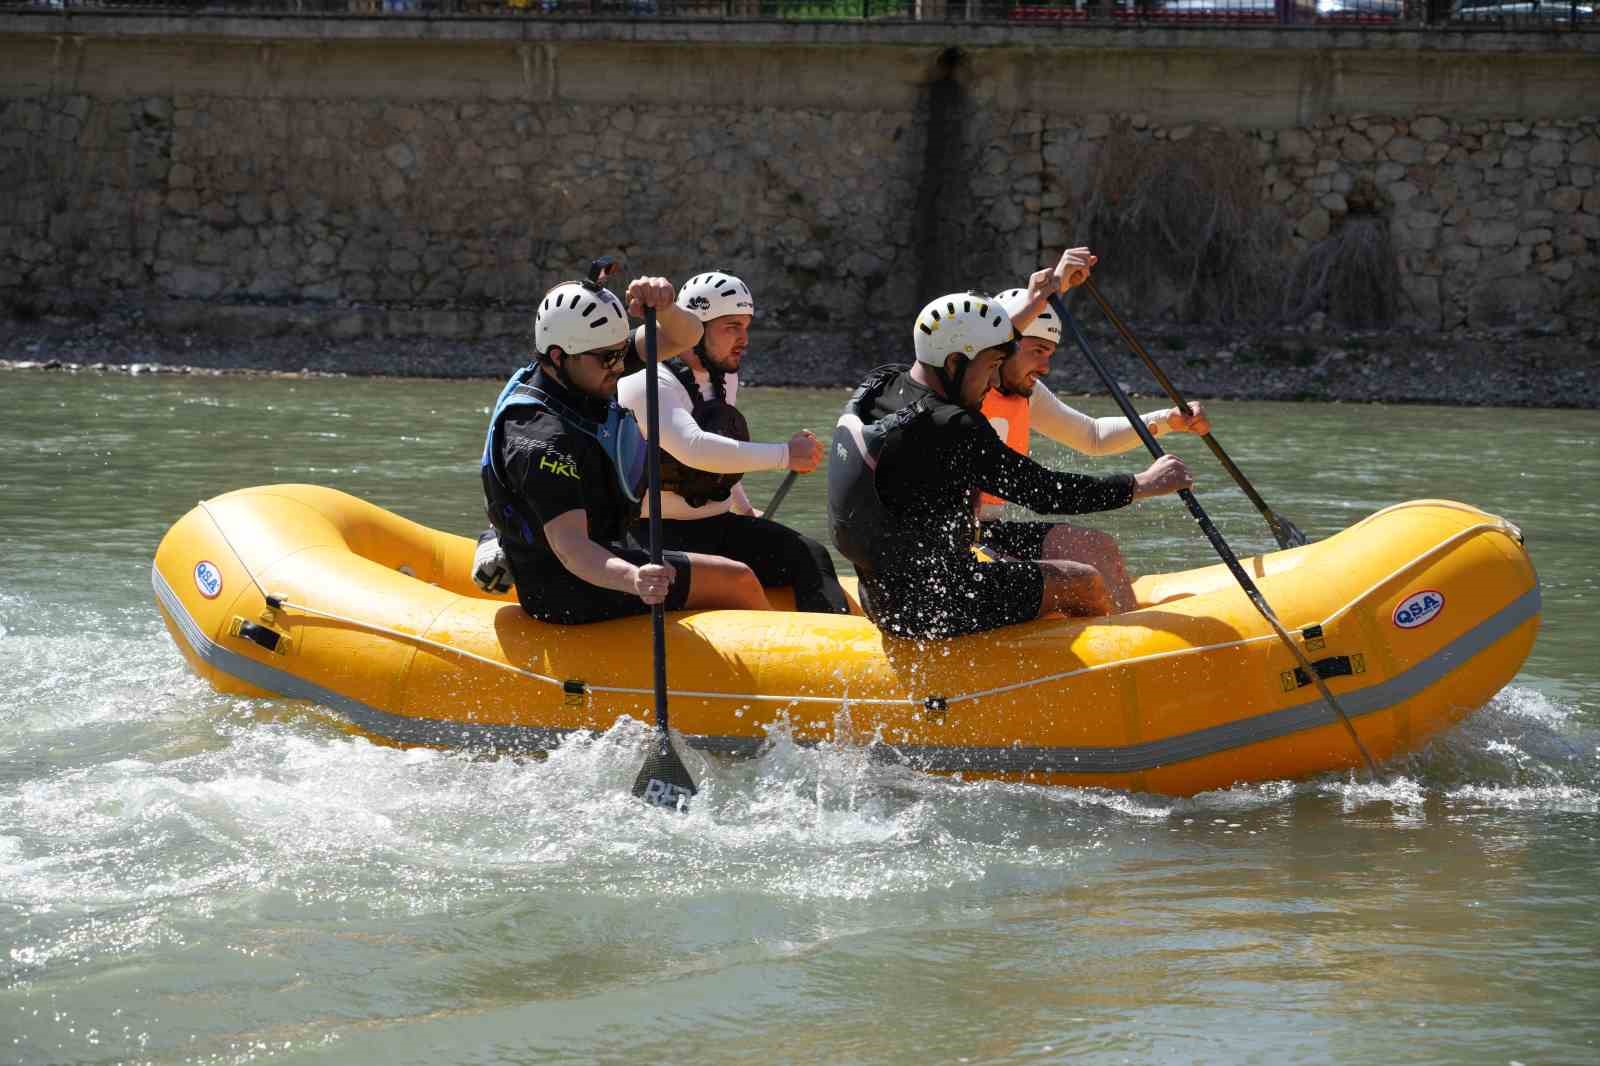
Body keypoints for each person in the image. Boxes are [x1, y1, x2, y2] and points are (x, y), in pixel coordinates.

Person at [827, 253, 1194, 641]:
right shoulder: (953, 426)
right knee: (1081, 581)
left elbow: (975, 346)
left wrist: (1040, 297)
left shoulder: (883, 386)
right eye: (989, 367)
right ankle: (1112, 668)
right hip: (937, 603)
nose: (992, 382)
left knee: (1079, 557)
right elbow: (1045, 492)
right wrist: (1141, 485)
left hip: (885, 594)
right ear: (954, 363)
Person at [479, 272, 770, 625]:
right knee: (738, 580)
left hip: (609, 551)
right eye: (608, 359)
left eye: (621, 354)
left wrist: (665, 308)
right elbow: (573, 550)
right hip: (567, 586)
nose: (619, 368)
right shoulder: (540, 438)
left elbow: (686, 336)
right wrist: (634, 579)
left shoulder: (586, 366)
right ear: (558, 356)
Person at [614, 271, 851, 615]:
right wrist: (785, 455)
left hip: (716, 525)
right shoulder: (648, 381)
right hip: (655, 537)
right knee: (739, 577)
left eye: (746, 325)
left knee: (809, 552)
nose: (744, 339)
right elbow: (694, 449)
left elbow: (719, 465)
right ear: (695, 331)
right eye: (732, 327)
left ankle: (833, 649)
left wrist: (743, 509)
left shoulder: (724, 376)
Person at [975, 280, 1211, 613]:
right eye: (1037, 351)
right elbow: (1043, 492)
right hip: (946, 545)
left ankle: (1129, 643)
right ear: (1003, 348)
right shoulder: (962, 395)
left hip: (988, 531)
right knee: (1078, 575)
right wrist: (1047, 286)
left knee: (1096, 546)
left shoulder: (1028, 392)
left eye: (1050, 354)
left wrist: (1168, 419)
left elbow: (1093, 436)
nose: (1045, 367)